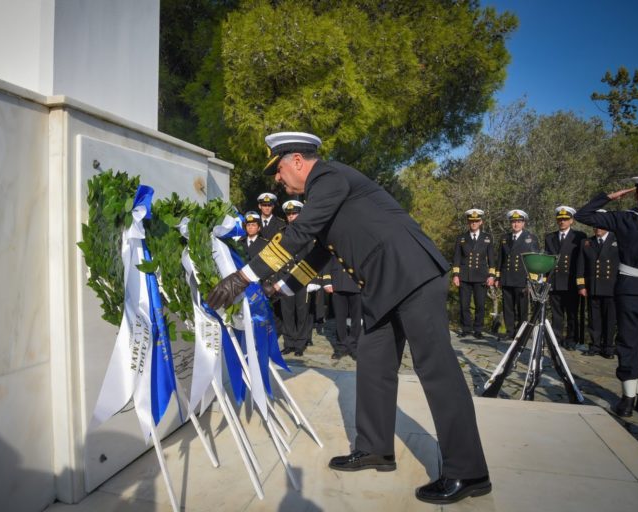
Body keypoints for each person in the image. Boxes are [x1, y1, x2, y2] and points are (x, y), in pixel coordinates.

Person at [207, 132, 490, 504]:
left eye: (278, 169)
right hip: (384, 284)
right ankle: (375, 448)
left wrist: (242, 278)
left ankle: (468, 471)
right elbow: (318, 255)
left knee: (436, 370)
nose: (277, 178)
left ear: (296, 161)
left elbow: (299, 234)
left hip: (412, 274)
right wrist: (278, 290)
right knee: (373, 362)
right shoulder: (321, 193)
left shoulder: (329, 178)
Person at [574, 177, 638, 418]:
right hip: (630, 287)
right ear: (637, 195)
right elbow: (583, 215)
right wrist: (609, 197)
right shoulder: (624, 218)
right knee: (628, 342)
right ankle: (628, 398)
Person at [576, 215, 619, 358]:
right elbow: (580, 266)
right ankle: (594, 346)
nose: (597, 228)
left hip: (612, 287)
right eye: (595, 225)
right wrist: (581, 285)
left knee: (610, 319)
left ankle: (608, 347)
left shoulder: (617, 240)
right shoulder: (587, 242)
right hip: (592, 287)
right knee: (594, 319)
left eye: (600, 225)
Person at [544, 206, 587, 350]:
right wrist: (545, 280)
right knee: (556, 314)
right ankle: (556, 339)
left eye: (565, 219)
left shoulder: (579, 237)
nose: (562, 221)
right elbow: (548, 260)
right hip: (555, 281)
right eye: (560, 219)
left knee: (572, 314)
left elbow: (582, 260)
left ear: (572, 221)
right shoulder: (549, 237)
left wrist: (582, 283)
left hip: (571, 281)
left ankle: (571, 339)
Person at [277, 200, 313, 356]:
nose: (291, 217)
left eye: (294, 213)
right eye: (289, 214)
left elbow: (313, 255)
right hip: (286, 277)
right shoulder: (282, 232)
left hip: (303, 276)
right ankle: (289, 342)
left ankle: (300, 343)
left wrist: (314, 280)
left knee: (302, 310)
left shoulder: (308, 232)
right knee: (287, 311)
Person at [496, 210, 540, 340]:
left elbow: (534, 260)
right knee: (508, 307)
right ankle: (510, 331)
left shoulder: (530, 238)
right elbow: (500, 259)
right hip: (507, 277)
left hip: (522, 279)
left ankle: (521, 333)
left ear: (523, 223)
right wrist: (498, 277)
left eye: (518, 222)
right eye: (513, 222)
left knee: (522, 309)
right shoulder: (505, 238)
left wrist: (532, 280)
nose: (515, 224)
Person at [452, 208, 495, 339]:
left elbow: (492, 258)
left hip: (481, 275)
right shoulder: (461, 238)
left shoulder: (487, 238)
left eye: (476, 221)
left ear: (481, 222)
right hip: (464, 276)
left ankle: (478, 329)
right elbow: (457, 258)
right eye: (471, 221)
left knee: (480, 305)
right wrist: (455, 275)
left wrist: (492, 275)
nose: (474, 223)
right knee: (464, 304)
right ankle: (466, 328)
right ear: (468, 222)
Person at [323, 255, 362, 359]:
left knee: (356, 319)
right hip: (338, 282)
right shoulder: (337, 240)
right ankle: (341, 347)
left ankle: (354, 347)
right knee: (340, 318)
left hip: (356, 283)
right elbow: (328, 258)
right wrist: (327, 281)